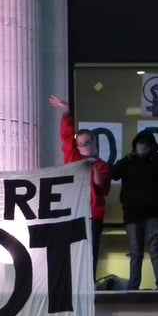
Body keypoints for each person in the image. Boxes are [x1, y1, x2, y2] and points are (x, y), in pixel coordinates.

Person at [49, 95, 112, 277]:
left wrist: (94, 168)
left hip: (92, 215)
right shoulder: (73, 159)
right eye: (80, 144)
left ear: (94, 144)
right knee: (73, 252)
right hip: (74, 213)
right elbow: (66, 137)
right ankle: (74, 284)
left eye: (87, 142)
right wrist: (66, 112)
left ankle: (89, 284)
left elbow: (102, 188)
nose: (84, 146)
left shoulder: (102, 165)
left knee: (91, 252)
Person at [110, 130, 158, 290]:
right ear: (135, 145)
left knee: (155, 249)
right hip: (132, 213)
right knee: (135, 253)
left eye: (147, 144)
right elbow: (114, 173)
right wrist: (128, 158)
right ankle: (133, 287)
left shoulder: (155, 161)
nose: (143, 146)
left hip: (154, 212)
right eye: (140, 143)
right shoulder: (128, 162)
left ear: (152, 146)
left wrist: (155, 155)